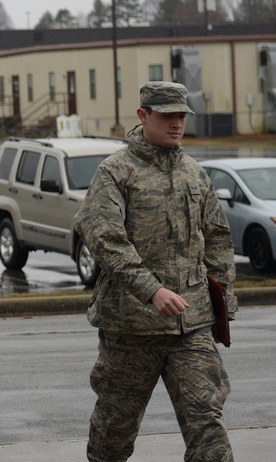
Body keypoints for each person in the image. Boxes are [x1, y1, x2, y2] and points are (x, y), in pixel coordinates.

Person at [73, 81, 237, 462]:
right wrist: (151, 290)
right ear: (143, 115)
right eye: (167, 116)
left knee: (207, 423)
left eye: (181, 115)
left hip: (190, 325)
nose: (177, 123)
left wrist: (222, 304)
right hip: (132, 327)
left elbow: (217, 239)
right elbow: (104, 238)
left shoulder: (194, 173)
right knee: (114, 429)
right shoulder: (116, 172)